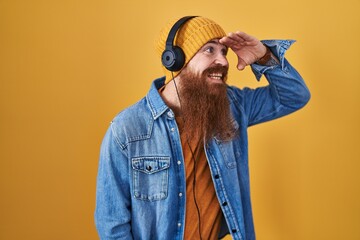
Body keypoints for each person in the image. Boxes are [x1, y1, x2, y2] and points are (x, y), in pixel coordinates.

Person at [94, 16, 310, 240]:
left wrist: (264, 56)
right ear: (175, 60)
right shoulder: (127, 129)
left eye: (224, 52)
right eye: (209, 50)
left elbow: (295, 96)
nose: (224, 62)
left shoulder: (232, 106)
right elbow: (112, 225)